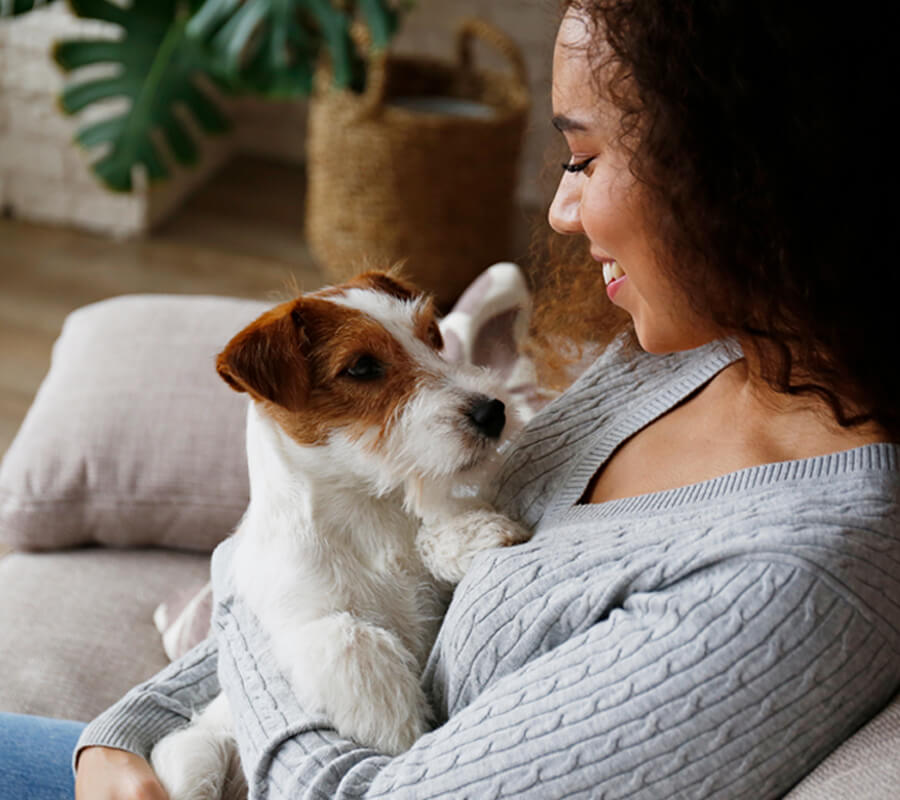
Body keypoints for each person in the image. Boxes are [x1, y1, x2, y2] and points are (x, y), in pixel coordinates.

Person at [4, 1, 899, 798]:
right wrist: (123, 729)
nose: (558, 208)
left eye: (585, 156)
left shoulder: (784, 583)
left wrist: (244, 576)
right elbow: (367, 567)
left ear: (741, 171)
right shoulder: (694, 357)